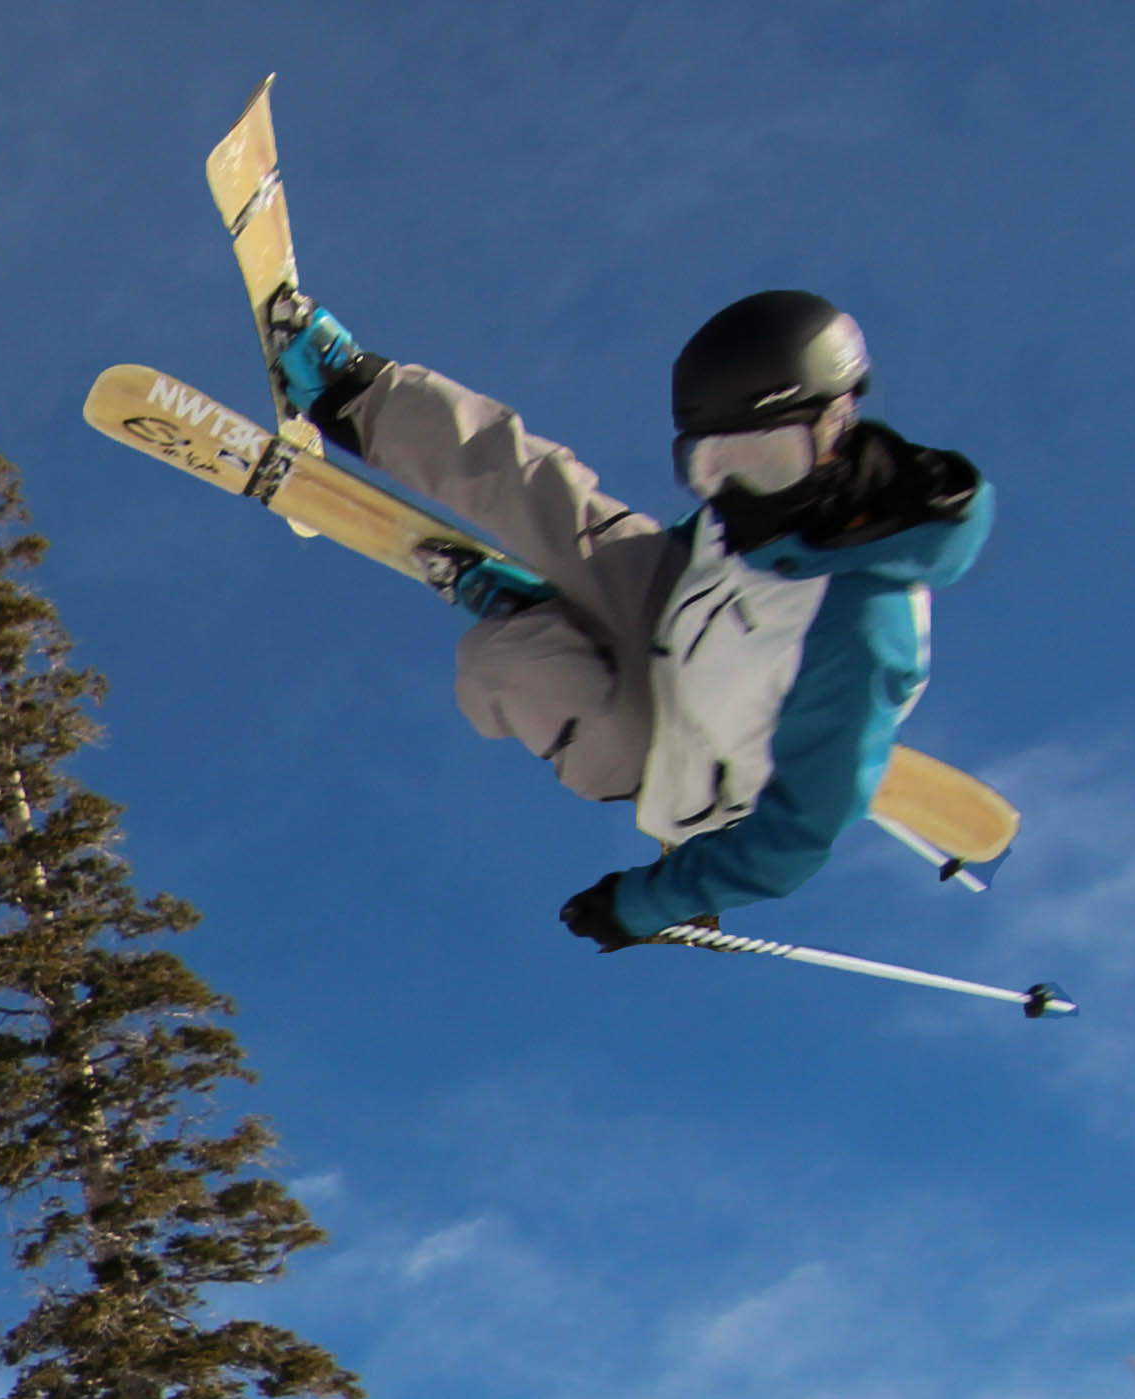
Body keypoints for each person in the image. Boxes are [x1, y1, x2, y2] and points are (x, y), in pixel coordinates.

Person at [263, 287, 991, 951]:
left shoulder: (859, 631)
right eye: (712, 466)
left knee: (504, 667)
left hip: (676, 757)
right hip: (683, 615)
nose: (736, 491)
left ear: (837, 423)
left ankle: (536, 624)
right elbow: (624, 528)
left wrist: (645, 904)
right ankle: (357, 393)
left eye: (765, 461)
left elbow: (793, 843)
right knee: (548, 495)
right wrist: (587, 568)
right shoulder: (761, 515)